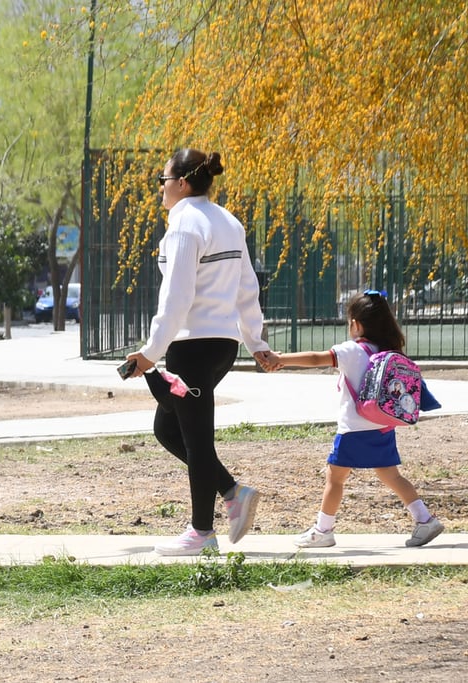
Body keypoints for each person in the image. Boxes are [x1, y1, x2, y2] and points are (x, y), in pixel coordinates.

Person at [124, 148, 278, 556]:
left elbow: (176, 298)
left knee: (195, 439)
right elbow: (248, 288)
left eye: (163, 180)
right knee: (168, 429)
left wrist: (150, 352)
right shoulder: (228, 221)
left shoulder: (184, 225)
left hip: (191, 347)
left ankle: (202, 532)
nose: (161, 188)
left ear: (183, 182)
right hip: (222, 346)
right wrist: (255, 341)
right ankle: (231, 491)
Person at [273, 290, 444, 548]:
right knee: (392, 476)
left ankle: (323, 530)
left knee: (335, 479)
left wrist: (280, 359)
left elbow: (316, 358)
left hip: (353, 430)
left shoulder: (351, 351)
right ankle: (424, 519)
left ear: (357, 324)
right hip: (383, 427)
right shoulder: (389, 350)